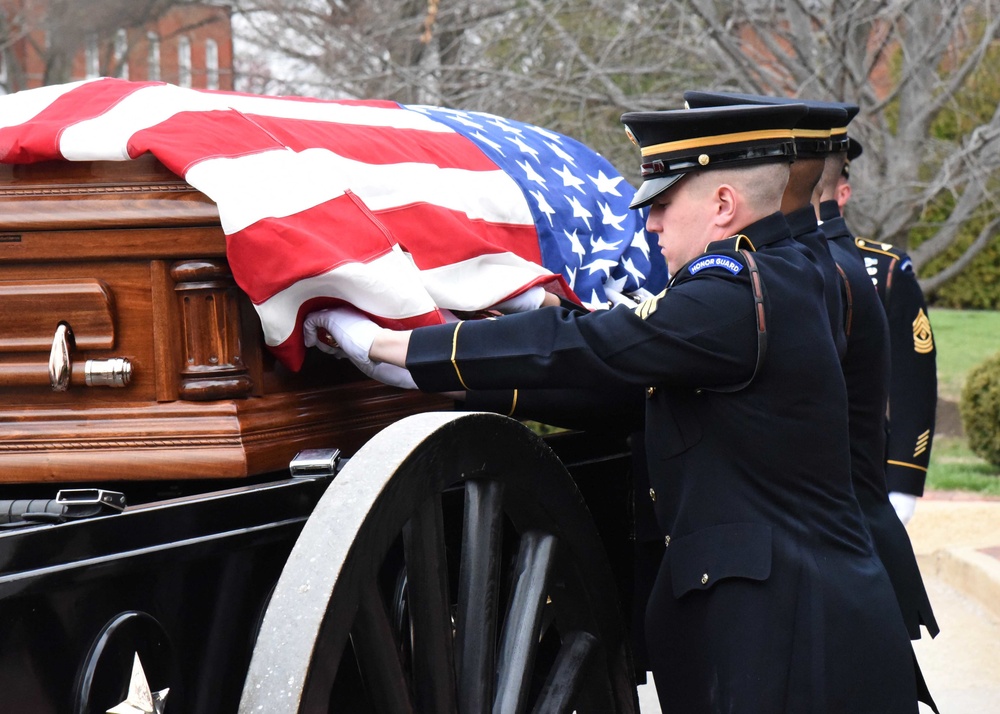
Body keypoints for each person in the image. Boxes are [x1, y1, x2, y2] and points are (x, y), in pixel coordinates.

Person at [305, 103, 921, 712]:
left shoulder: (737, 291)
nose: (650, 225)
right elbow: (631, 382)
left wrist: (398, 346)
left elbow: (597, 347)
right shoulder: (784, 272)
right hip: (796, 622)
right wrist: (466, 374)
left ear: (724, 206)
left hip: (785, 643)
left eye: (661, 203)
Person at [838, 138, 939, 526]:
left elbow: (913, 383)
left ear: (843, 192)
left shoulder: (886, 270)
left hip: (863, 474)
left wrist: (903, 478)